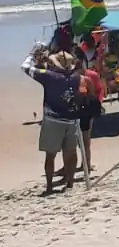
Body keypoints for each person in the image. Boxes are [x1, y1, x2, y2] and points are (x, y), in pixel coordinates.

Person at [21, 47, 81, 192]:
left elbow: (25, 67)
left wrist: (32, 55)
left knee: (51, 155)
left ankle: (49, 187)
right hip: (72, 120)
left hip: (53, 120)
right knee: (71, 153)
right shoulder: (76, 76)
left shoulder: (49, 76)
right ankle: (70, 183)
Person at [73, 51, 105, 175]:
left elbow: (99, 90)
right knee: (74, 139)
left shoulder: (91, 75)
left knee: (85, 139)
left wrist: (98, 104)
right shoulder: (71, 76)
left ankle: (86, 163)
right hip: (76, 110)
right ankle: (78, 164)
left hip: (88, 109)